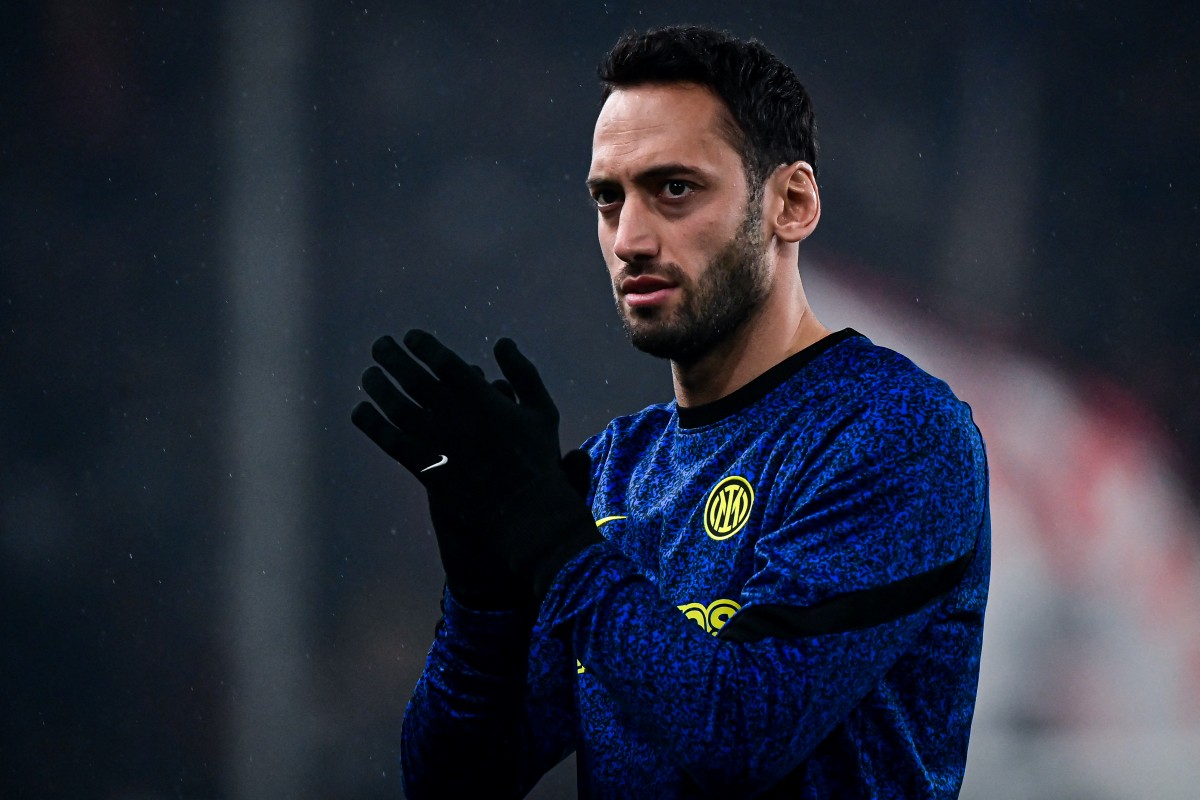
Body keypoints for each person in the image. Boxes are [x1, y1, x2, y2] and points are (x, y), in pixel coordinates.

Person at [352, 24, 990, 799]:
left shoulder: (894, 432)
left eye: (674, 189)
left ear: (790, 202)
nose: (629, 239)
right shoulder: (616, 472)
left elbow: (741, 735)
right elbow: (454, 785)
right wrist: (482, 603)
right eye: (607, 199)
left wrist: (554, 544)